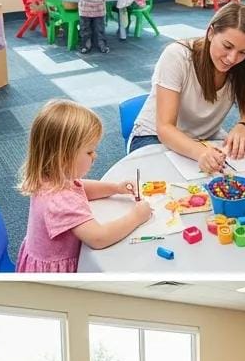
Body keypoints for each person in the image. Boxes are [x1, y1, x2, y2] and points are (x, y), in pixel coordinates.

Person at [16, 99, 151, 271]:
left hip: (37, 257)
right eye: (89, 151)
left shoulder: (50, 176)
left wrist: (115, 188)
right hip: (55, 276)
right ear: (63, 157)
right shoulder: (61, 200)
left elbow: (80, 187)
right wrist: (137, 216)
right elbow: (99, 238)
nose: (94, 156)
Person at [128, 2, 245, 171]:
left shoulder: (244, 66)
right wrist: (200, 152)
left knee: (232, 181)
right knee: (163, 188)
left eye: (243, 52)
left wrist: (243, 126)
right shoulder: (177, 56)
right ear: (211, 33)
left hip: (203, 139)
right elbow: (165, 128)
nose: (232, 58)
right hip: (154, 136)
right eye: (227, 46)